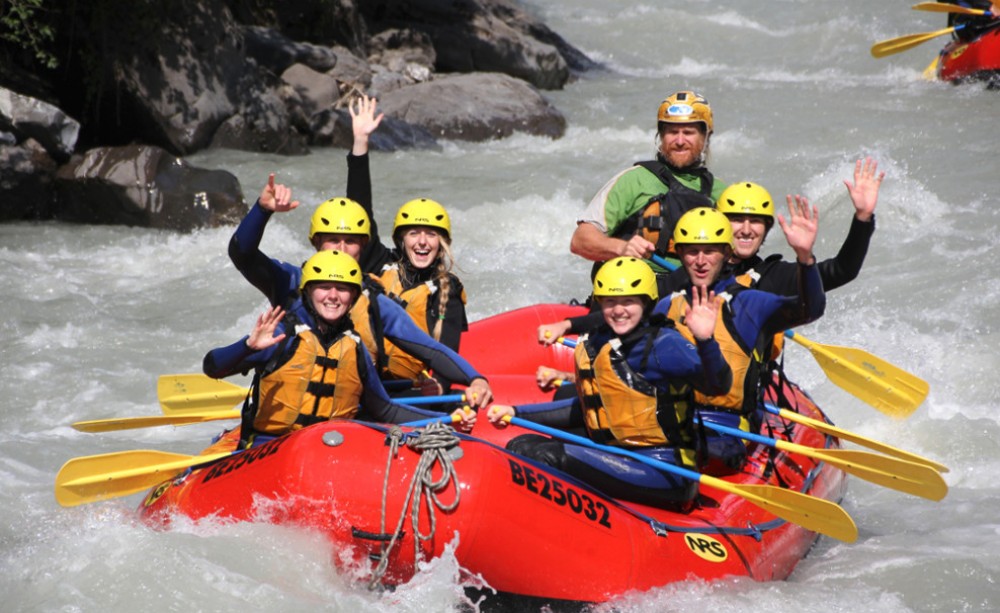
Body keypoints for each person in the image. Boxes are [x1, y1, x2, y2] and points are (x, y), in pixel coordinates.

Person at [537, 157, 881, 342]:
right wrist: (570, 325)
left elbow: (842, 272)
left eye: (755, 222)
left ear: (766, 231)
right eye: (735, 220)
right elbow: (633, 309)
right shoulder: (693, 272)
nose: (745, 229)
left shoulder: (772, 276)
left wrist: (862, 218)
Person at [226, 174, 493, 410]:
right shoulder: (288, 282)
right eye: (332, 240)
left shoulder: (375, 300)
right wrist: (262, 210)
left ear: (362, 248)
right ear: (316, 242)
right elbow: (242, 254)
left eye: (351, 242)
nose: (341, 249)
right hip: (289, 420)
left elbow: (431, 350)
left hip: (353, 413)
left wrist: (475, 378)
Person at [486, 257, 733, 509]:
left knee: (544, 456)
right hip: (618, 457)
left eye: (628, 301)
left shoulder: (664, 344)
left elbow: (717, 386)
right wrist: (516, 413)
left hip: (665, 470)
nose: (618, 310)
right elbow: (588, 407)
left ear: (646, 303)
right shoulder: (600, 342)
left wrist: (706, 341)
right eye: (610, 302)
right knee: (521, 444)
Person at [203, 250, 475, 448]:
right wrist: (247, 347)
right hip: (269, 449)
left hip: (330, 449)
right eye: (324, 287)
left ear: (354, 296)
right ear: (308, 292)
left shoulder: (354, 348)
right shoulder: (280, 336)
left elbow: (386, 411)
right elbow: (212, 367)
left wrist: (447, 422)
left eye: (343, 289)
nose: (333, 296)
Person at [654, 206, 825, 419]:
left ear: (727, 253)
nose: (700, 261)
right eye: (692, 251)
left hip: (729, 430)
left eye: (709, 251)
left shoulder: (748, 303)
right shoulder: (666, 305)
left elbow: (810, 310)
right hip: (679, 428)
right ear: (679, 253)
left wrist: (805, 258)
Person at [347, 95, 469, 358]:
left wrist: (437, 384)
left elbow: (447, 351)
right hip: (365, 381)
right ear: (401, 240)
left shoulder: (447, 291)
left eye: (431, 235)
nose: (422, 242)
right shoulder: (379, 263)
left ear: (442, 243)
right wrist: (360, 143)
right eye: (414, 234)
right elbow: (359, 213)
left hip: (411, 387)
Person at [569, 90, 727, 275]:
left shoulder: (721, 194)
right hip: (638, 292)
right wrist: (621, 248)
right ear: (661, 136)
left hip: (694, 294)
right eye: (672, 132)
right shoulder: (633, 180)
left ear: (706, 137)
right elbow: (580, 240)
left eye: (689, 132)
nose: (680, 141)